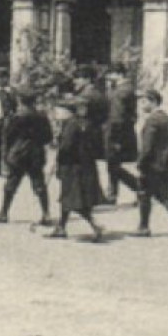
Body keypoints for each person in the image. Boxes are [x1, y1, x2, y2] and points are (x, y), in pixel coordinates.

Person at [0, 91, 53, 226]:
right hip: (36, 153)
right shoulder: (42, 117)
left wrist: (6, 155)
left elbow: (7, 137)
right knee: (39, 183)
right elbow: (48, 137)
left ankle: (3, 213)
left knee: (11, 183)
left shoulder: (15, 117)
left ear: (20, 101)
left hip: (18, 153)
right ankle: (46, 214)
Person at [47, 97, 106, 241]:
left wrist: (56, 149)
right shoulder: (80, 123)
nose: (56, 113)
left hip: (73, 167)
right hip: (83, 166)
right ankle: (61, 227)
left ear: (67, 111)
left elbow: (66, 147)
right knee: (68, 197)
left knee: (73, 199)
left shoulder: (71, 125)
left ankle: (95, 226)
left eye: (58, 111)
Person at [134, 89, 168, 240]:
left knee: (144, 194)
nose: (141, 105)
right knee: (163, 195)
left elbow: (147, 146)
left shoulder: (152, 121)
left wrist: (140, 163)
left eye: (144, 101)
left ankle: (143, 227)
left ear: (153, 102)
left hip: (152, 164)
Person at [104, 75, 142, 204]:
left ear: (118, 74)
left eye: (111, 74)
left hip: (117, 133)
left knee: (113, 165)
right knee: (114, 165)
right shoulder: (128, 89)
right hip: (126, 132)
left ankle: (139, 188)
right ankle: (113, 194)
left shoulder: (120, 92)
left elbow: (117, 117)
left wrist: (115, 138)